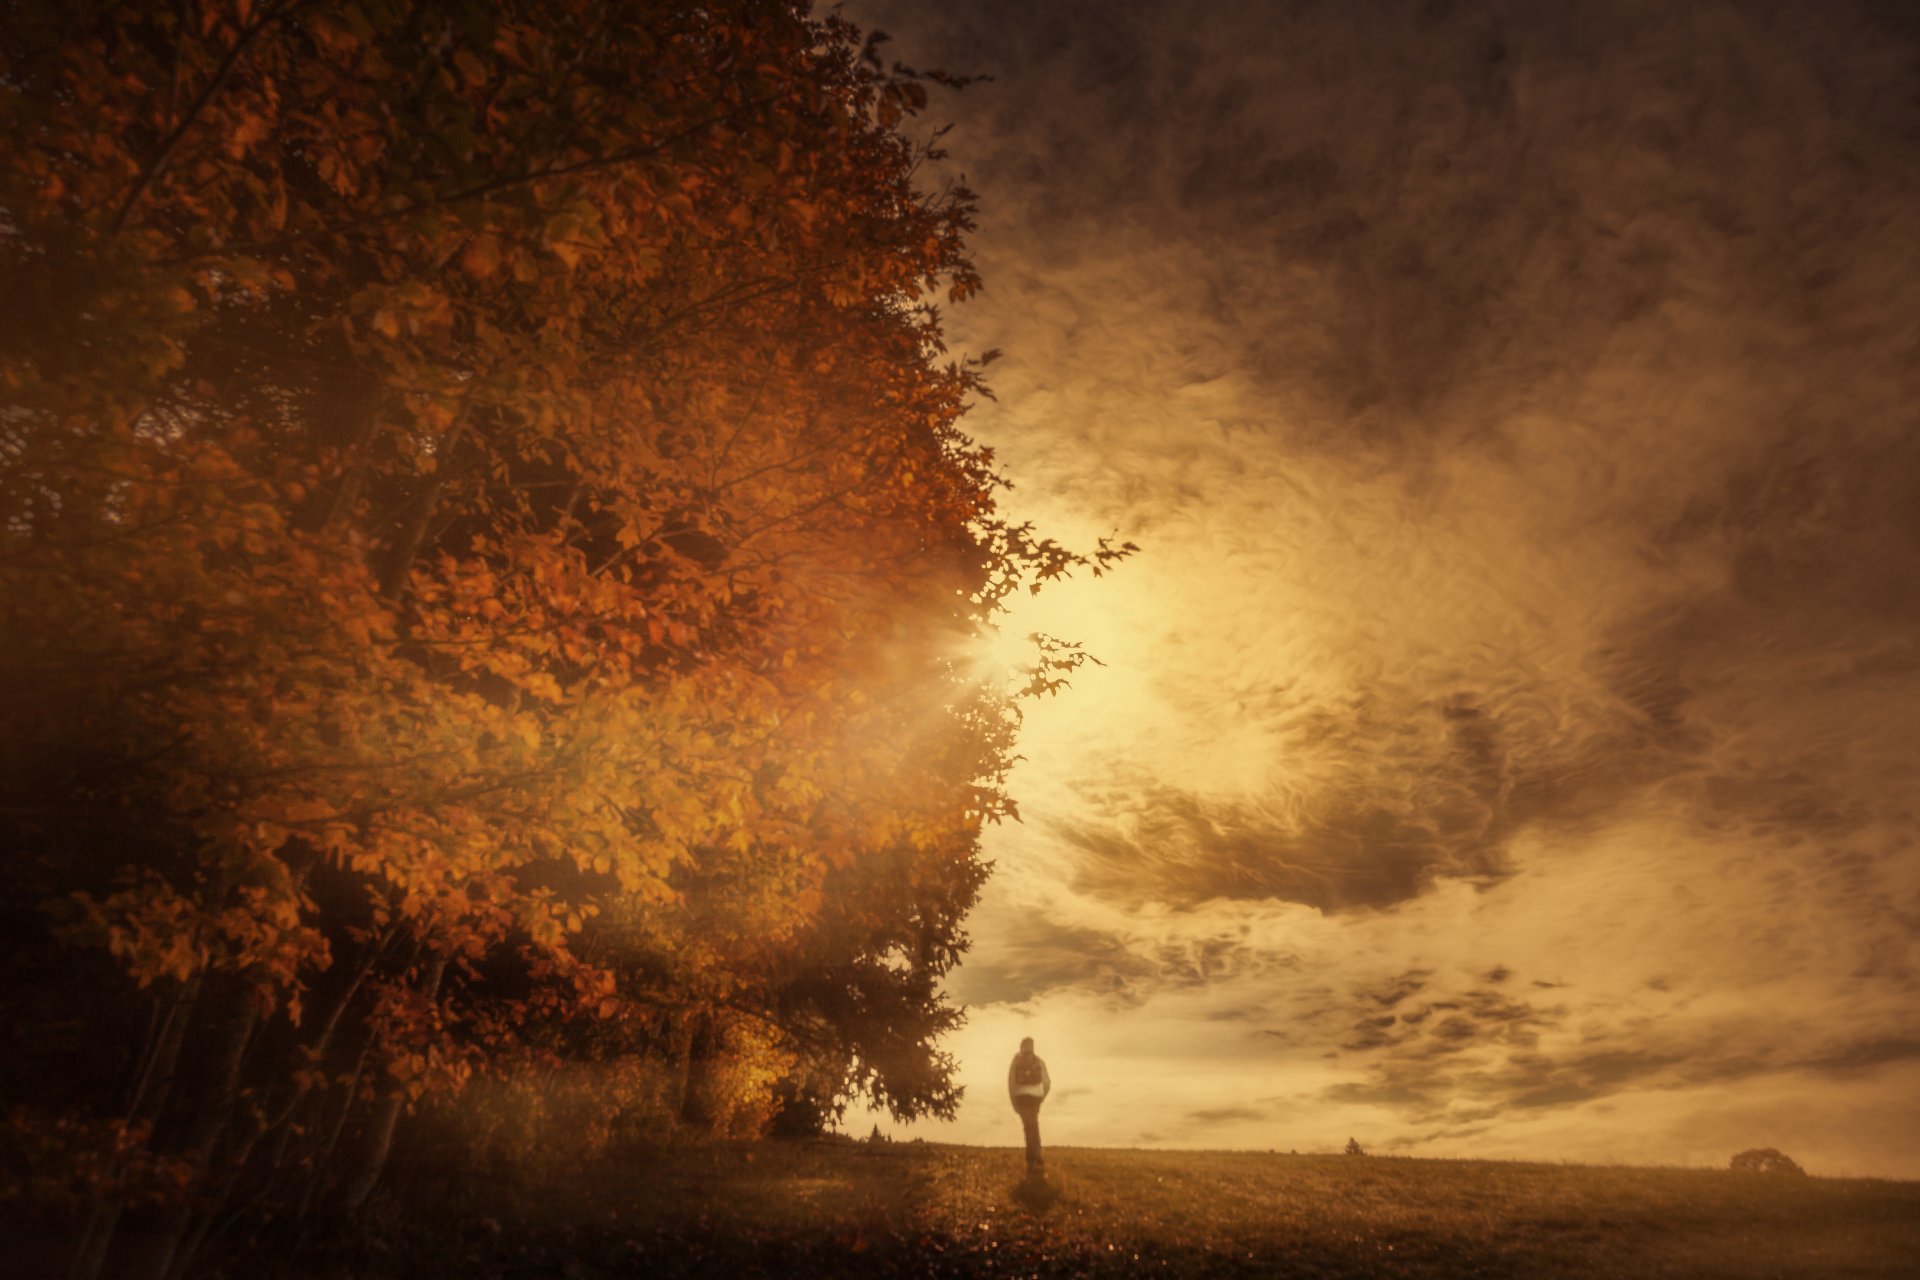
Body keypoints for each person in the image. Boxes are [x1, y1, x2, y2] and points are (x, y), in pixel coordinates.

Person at [1007, 1036, 1051, 1173]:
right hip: (1035, 1097)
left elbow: (1011, 1082)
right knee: (1034, 1125)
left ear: (1021, 1047)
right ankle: (1037, 1158)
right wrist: (1042, 1097)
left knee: (1028, 1126)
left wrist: (1013, 1100)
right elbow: (1048, 1082)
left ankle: (1032, 1159)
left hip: (1020, 1097)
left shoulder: (1016, 1062)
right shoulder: (1039, 1061)